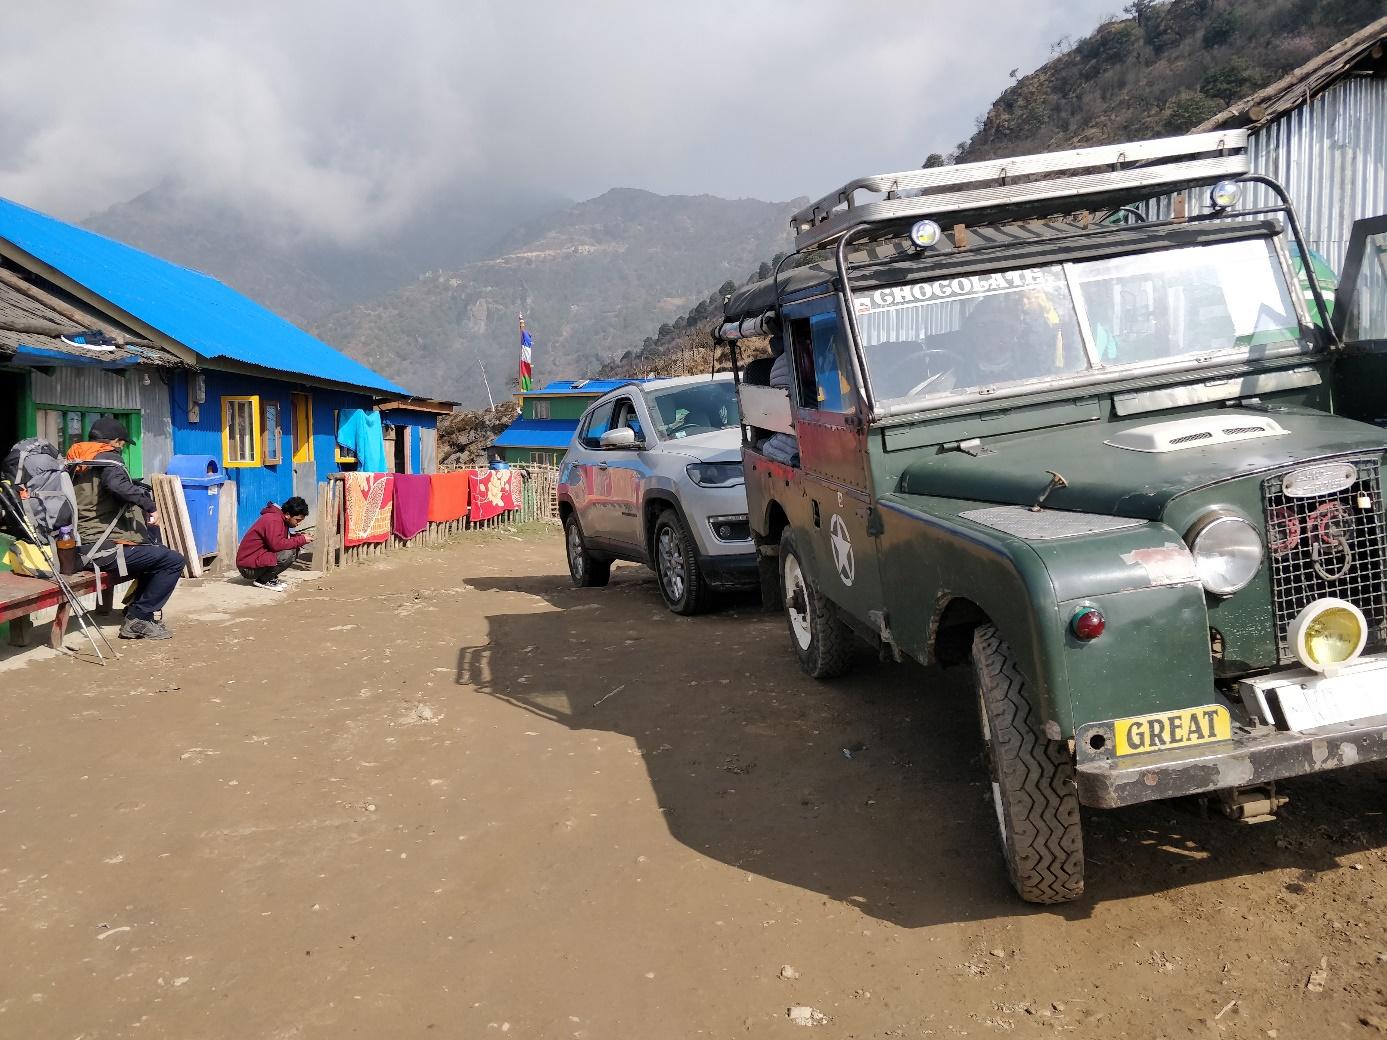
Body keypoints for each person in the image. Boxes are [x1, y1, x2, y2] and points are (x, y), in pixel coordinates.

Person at [67, 418, 185, 640]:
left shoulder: (77, 461)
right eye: (122, 444)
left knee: (154, 554)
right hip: (103, 549)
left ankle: (137, 611)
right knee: (172, 560)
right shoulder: (110, 459)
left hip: (79, 546)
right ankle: (138, 619)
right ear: (115, 441)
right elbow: (116, 485)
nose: (121, 448)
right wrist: (149, 506)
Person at [236, 497, 313, 590]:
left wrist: (299, 537)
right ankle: (263, 580)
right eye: (297, 520)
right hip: (247, 568)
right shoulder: (273, 520)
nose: (298, 524)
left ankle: (269, 577)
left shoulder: (279, 519)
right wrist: (301, 540)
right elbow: (276, 545)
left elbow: (280, 539)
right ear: (288, 514)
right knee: (288, 553)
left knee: (294, 549)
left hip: (254, 561)